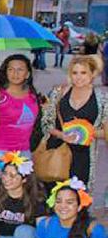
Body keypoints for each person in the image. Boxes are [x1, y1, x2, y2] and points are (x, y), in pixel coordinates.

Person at [41, 55, 108, 191]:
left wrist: (87, 132)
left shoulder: (102, 99)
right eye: (74, 72)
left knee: (78, 197)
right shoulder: (58, 92)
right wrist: (61, 135)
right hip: (57, 152)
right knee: (53, 195)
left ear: (92, 73)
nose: (78, 77)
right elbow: (46, 123)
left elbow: (105, 132)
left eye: (83, 72)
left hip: (84, 156)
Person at [0, 54, 43, 180]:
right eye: (11, 69)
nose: (15, 73)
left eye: (20, 69)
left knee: (21, 190)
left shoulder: (33, 96)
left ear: (27, 74)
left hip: (23, 151)